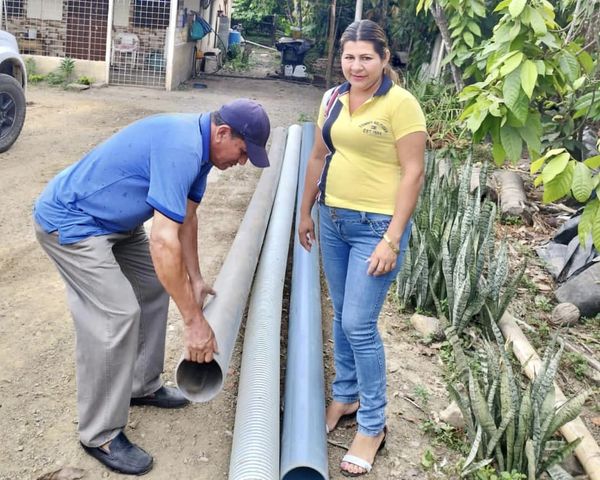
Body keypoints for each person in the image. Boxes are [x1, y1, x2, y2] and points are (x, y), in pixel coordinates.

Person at [33, 98, 271, 475]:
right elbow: (162, 241)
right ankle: (100, 434)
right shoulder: (182, 148)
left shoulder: (203, 151)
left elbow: (187, 218)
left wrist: (195, 278)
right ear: (223, 133)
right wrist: (193, 322)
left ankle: (141, 384)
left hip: (117, 224)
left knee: (153, 286)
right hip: (74, 222)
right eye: (243, 152)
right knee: (116, 314)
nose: (242, 162)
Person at [298, 20, 427, 477]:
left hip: (377, 227)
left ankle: (373, 425)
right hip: (333, 219)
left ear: (384, 58)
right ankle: (345, 396)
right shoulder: (332, 98)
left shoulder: (401, 103)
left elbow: (413, 172)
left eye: (366, 57)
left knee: (358, 323)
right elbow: (318, 155)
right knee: (340, 314)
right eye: (349, 57)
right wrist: (305, 210)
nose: (356, 66)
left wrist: (392, 237)